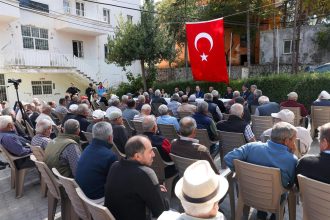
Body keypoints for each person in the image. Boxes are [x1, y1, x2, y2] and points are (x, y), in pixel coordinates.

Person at [225, 122, 298, 220]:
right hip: (274, 201)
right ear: (286, 141)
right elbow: (291, 184)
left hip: (249, 193)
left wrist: (241, 172)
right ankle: (275, 215)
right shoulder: (291, 159)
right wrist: (291, 154)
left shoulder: (251, 147)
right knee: (282, 189)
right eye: (294, 140)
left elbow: (228, 158)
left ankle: (261, 212)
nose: (294, 142)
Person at [104, 135, 169, 220]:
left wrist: (152, 188)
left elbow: (130, 189)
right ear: (137, 156)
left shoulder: (114, 166)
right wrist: (160, 193)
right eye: (150, 151)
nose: (153, 154)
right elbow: (161, 211)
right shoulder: (146, 173)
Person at [158, 160, 228, 220]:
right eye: (217, 202)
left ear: (183, 202)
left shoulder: (165, 217)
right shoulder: (220, 217)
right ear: (215, 207)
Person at [75, 122, 117, 200]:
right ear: (110, 137)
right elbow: (115, 183)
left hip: (82, 194)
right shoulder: (109, 156)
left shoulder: (87, 148)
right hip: (96, 198)